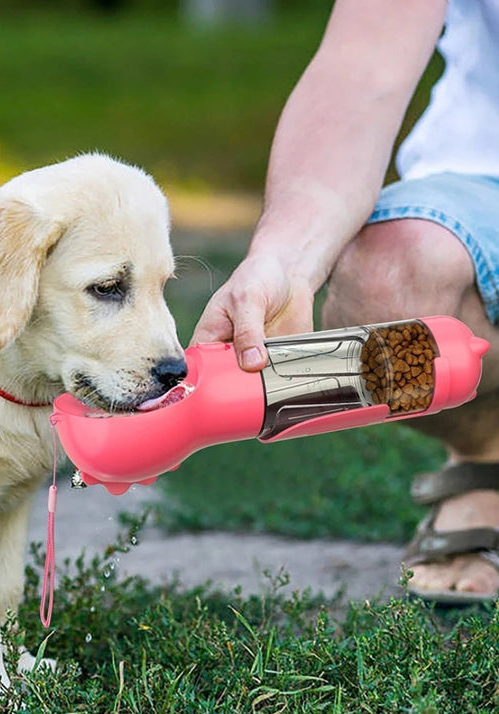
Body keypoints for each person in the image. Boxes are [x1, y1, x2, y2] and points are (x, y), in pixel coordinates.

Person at [191, 0, 499, 603]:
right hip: (485, 172)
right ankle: (488, 456)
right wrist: (286, 260)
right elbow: (362, 71)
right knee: (390, 288)